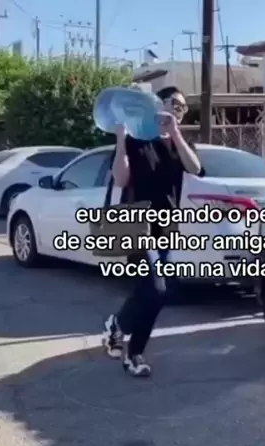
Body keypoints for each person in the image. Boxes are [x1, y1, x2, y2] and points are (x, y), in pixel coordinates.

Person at [102, 86, 203, 378]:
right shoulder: (135, 139)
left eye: (183, 108)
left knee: (152, 292)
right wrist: (121, 140)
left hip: (166, 226)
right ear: (158, 104)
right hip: (135, 223)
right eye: (175, 104)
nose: (179, 111)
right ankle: (130, 347)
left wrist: (175, 134)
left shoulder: (179, 143)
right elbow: (120, 179)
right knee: (156, 289)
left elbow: (195, 168)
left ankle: (123, 334)